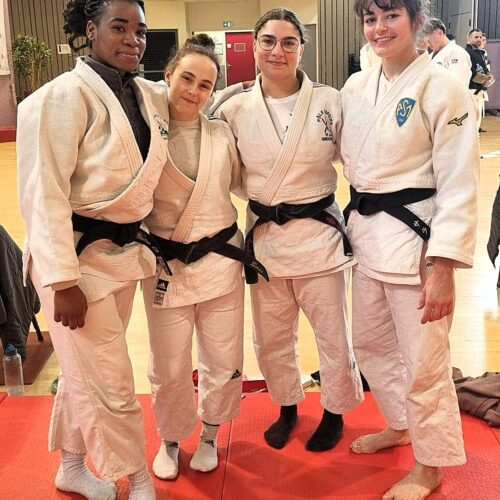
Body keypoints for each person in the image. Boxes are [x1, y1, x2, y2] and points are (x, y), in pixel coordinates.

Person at [16, 1, 170, 498]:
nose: (133, 39)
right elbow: (43, 194)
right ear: (90, 29)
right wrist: (62, 282)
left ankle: (71, 465)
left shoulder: (145, 94)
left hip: (120, 257)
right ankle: (135, 475)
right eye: (119, 27)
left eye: (140, 31)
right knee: (111, 377)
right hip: (74, 264)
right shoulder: (57, 98)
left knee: (86, 371)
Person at [341, 1, 480, 499]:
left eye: (391, 16)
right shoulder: (356, 87)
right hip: (367, 239)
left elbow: (460, 181)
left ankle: (429, 464)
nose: (379, 28)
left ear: (417, 22)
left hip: (417, 245)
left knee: (425, 362)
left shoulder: (444, 88)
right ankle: (402, 424)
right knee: (371, 346)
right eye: (370, 19)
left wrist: (443, 266)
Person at [218, 8, 363, 452]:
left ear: (302, 47)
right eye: (268, 41)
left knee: (332, 333)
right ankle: (286, 406)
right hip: (267, 239)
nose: (277, 51)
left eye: (288, 42)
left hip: (319, 235)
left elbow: (356, 159)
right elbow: (227, 174)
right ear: (254, 46)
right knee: (272, 336)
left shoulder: (329, 101)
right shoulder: (233, 108)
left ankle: (335, 411)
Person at [142, 34, 264, 480]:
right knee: (168, 363)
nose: (194, 91)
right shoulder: (145, 132)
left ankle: (211, 433)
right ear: (168, 75)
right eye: (187, 79)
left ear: (214, 91)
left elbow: (245, 183)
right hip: (166, 265)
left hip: (219, 260)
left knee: (223, 355)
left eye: (206, 85)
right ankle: (171, 438)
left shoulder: (221, 134)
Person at [424, 17, 471, 87]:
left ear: (439, 33)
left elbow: (458, 84)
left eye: (429, 40)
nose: (428, 44)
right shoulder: (430, 55)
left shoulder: (457, 52)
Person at [466, 28, 494, 131]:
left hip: (479, 89)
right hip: (472, 90)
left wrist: (490, 77)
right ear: (469, 38)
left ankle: (475, 138)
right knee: (472, 121)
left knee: (477, 121)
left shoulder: (480, 52)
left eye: (480, 37)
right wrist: (485, 79)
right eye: (476, 37)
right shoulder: (467, 52)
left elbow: (485, 69)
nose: (479, 39)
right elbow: (471, 72)